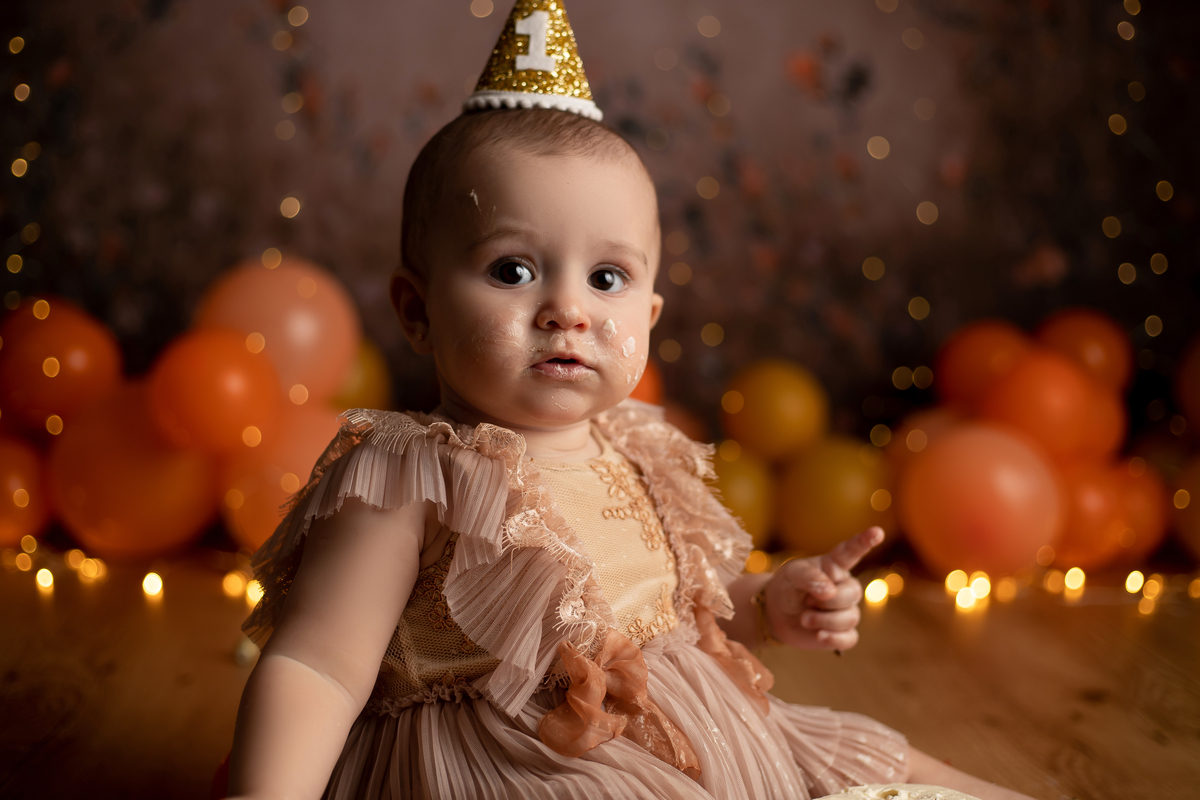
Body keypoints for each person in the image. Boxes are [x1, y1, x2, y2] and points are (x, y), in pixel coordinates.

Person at [226, 3, 1033, 798]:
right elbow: (319, 665)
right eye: (513, 269)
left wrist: (773, 603)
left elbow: (680, 611)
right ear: (417, 311)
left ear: (647, 317)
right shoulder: (411, 476)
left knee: (895, 766)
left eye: (606, 278)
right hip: (526, 761)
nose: (568, 310)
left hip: (703, 726)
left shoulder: (639, 446)